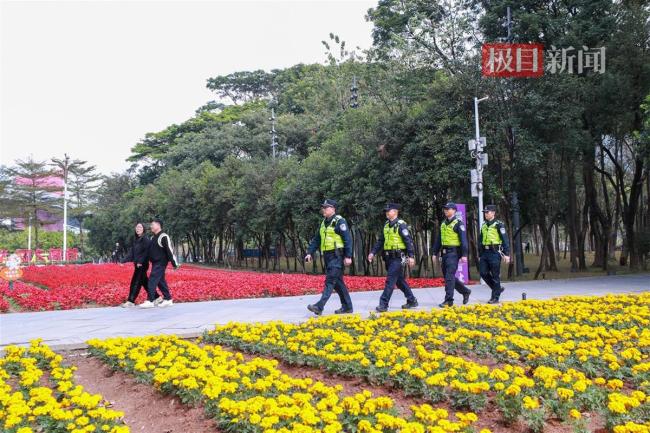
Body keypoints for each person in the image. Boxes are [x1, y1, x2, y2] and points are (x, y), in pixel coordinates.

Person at [304, 199, 353, 315]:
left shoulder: (339, 221)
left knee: (330, 281)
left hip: (337, 256)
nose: (324, 210)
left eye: (326, 207)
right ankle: (347, 307)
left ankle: (319, 306)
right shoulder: (323, 223)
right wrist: (309, 252)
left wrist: (348, 256)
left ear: (333, 209)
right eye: (323, 208)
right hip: (327, 256)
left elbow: (347, 239)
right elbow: (317, 239)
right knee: (338, 283)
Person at [368, 203, 418, 312]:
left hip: (398, 258)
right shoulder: (386, 225)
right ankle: (412, 300)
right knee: (399, 281)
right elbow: (381, 241)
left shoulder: (401, 225)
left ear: (395, 212)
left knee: (390, 280)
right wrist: (372, 252)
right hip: (388, 258)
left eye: (388, 211)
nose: (386, 212)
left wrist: (411, 256)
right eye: (386, 211)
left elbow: (408, 241)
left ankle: (383, 304)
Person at [431, 202, 471, 307]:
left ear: (454, 210)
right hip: (444, 253)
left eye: (448, 209)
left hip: (453, 253)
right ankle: (465, 291)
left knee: (449, 276)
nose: (446, 211)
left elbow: (463, 240)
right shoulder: (443, 223)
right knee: (449, 277)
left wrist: (464, 254)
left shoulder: (458, 223)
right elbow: (439, 239)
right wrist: (434, 252)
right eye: (445, 209)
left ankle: (449, 300)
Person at [139, 217, 180, 309]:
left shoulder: (164, 236)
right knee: (160, 281)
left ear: (158, 225)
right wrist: (141, 261)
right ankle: (168, 299)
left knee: (152, 280)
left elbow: (170, 250)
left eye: (152, 225)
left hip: (161, 263)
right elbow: (148, 252)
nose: (151, 226)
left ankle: (150, 300)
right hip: (154, 263)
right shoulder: (153, 237)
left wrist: (175, 264)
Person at [479, 205, 510, 304]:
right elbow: (480, 239)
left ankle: (495, 297)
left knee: (495, 275)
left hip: (494, 252)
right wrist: (480, 253)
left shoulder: (499, 224)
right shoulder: (484, 225)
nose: (485, 214)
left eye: (487, 212)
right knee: (483, 273)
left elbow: (505, 239)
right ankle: (497, 288)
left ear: (493, 213)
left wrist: (506, 254)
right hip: (485, 252)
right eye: (485, 212)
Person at [120, 222, 151, 307]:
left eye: (140, 227)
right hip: (137, 265)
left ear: (143, 229)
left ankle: (131, 301)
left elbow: (146, 252)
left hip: (142, 265)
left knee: (135, 282)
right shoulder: (136, 240)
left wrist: (140, 262)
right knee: (144, 282)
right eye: (137, 227)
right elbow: (131, 253)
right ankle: (156, 297)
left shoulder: (145, 239)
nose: (138, 229)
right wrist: (123, 260)